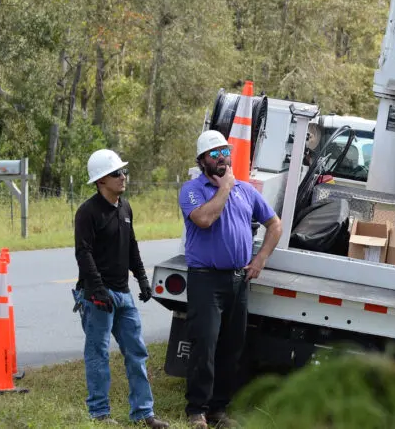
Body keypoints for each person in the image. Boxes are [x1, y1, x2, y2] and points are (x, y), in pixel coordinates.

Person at [179, 130, 282, 429]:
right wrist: (225, 188)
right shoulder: (192, 190)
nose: (222, 157)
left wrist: (261, 258)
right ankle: (196, 409)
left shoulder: (247, 191)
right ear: (202, 161)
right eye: (215, 153)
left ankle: (218, 409)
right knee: (205, 345)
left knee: (232, 346)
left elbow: (274, 224)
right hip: (205, 280)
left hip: (238, 280)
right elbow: (204, 219)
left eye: (225, 151)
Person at [73, 149, 169, 427]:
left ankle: (144, 413)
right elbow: (83, 253)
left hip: (123, 295)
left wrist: (141, 279)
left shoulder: (125, 207)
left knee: (137, 352)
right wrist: (97, 289)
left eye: (123, 171)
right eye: (116, 173)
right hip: (97, 297)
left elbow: (131, 246)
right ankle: (100, 414)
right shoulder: (87, 212)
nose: (123, 176)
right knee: (98, 353)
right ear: (101, 180)